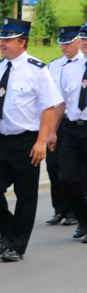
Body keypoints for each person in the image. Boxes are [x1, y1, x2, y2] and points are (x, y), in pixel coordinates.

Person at [0, 18, 62, 261]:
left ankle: (17, 246)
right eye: (1, 39)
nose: (2, 43)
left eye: (8, 40)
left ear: (22, 42)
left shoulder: (37, 70)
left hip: (26, 140)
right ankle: (8, 232)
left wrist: (41, 141)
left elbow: (48, 108)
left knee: (26, 194)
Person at [52, 22, 87, 243]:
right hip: (72, 129)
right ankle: (83, 218)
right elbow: (61, 103)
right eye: (83, 39)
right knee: (66, 178)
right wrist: (51, 132)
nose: (85, 43)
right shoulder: (70, 68)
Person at [45, 26, 83, 227]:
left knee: (77, 173)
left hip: (76, 122)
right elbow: (55, 99)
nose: (64, 46)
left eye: (69, 42)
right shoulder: (55, 66)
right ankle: (60, 208)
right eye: (62, 42)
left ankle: (75, 213)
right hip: (60, 121)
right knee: (55, 167)